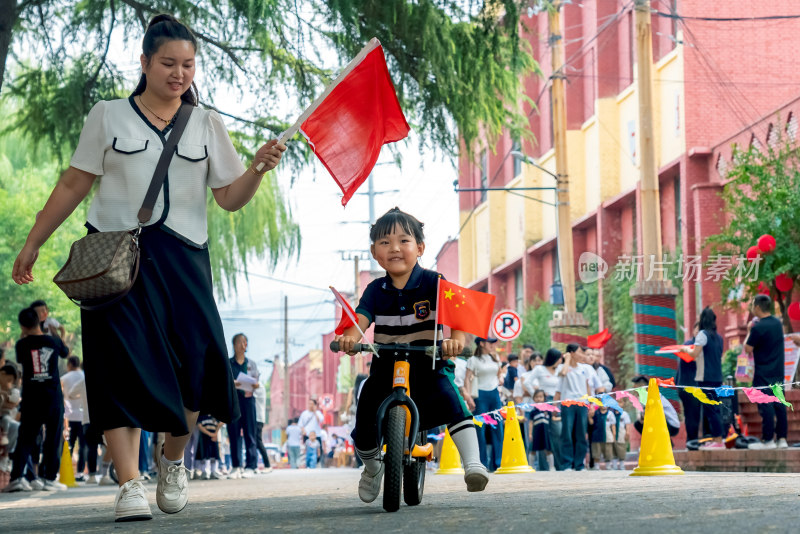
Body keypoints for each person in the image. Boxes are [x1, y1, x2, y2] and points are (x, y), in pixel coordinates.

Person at [11, 14, 286, 521]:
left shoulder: (206, 123)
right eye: (167, 63)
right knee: (119, 368)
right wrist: (33, 242)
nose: (178, 73)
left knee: (198, 367)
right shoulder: (108, 115)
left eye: (187, 64)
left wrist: (257, 170)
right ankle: (129, 483)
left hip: (185, 261)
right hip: (117, 263)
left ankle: (172, 462)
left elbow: (228, 198)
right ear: (144, 63)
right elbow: (73, 184)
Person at [336, 207, 489, 504]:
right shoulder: (374, 290)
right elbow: (359, 322)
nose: (394, 248)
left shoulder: (435, 282)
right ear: (374, 252)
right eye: (384, 242)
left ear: (419, 248)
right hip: (385, 366)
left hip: (429, 362)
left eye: (404, 240)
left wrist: (455, 341)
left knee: (450, 397)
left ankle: (473, 463)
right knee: (366, 406)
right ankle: (371, 468)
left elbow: (459, 316)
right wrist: (349, 340)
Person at [5, 308, 70, 492]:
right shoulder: (54, 341)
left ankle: (17, 478)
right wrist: (59, 332)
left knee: (25, 437)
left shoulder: (21, 345)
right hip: (52, 397)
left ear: (22, 326)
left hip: (32, 398)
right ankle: (49, 478)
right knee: (53, 437)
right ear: (38, 322)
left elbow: (22, 360)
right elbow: (65, 352)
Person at [745, 295, 789, 449]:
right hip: (778, 370)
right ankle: (782, 439)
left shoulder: (757, 328)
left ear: (757, 307)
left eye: (752, 304)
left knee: (766, 404)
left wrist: (748, 331)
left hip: (762, 371)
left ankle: (768, 439)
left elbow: (747, 348)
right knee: (779, 403)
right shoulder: (778, 324)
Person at [685, 307, 725, 449]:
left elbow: (694, 354)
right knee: (715, 408)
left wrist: (685, 349)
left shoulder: (702, 334)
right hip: (717, 377)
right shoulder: (719, 338)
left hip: (705, 377)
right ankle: (717, 438)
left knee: (710, 409)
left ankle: (718, 441)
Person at [466, 337, 505, 472]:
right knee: (480, 430)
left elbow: (499, 374)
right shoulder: (473, 360)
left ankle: (498, 463)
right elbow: (467, 379)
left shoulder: (495, 358)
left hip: (494, 395)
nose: (493, 345)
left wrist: (500, 378)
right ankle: (482, 463)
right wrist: (469, 398)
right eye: (490, 343)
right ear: (481, 344)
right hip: (480, 396)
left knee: (498, 428)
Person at [227, 333, 260, 479]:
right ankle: (236, 466)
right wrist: (234, 383)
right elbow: (224, 381)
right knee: (234, 434)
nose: (243, 345)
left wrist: (254, 384)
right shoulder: (228, 363)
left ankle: (251, 466)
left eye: (245, 342)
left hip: (248, 401)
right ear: (234, 345)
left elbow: (256, 382)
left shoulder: (251, 363)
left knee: (250, 433)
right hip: (234, 401)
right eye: (240, 342)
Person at [530, 348, 563, 470]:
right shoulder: (540, 369)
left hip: (555, 403)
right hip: (543, 403)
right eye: (559, 358)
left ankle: (558, 466)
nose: (561, 360)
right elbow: (528, 382)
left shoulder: (559, 370)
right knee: (541, 435)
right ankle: (544, 467)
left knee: (557, 433)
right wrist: (538, 397)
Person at [61, 356, 88, 481]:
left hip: (70, 416)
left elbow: (64, 394)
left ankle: (66, 472)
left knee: (68, 445)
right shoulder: (84, 377)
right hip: (84, 416)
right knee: (83, 446)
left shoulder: (64, 378)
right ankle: (80, 473)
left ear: (70, 364)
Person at [678, 322, 702, 442]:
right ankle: (692, 440)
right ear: (693, 331)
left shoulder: (692, 345)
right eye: (697, 330)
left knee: (693, 414)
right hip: (689, 386)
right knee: (692, 414)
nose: (699, 333)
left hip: (690, 386)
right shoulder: (690, 345)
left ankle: (693, 440)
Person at [0, 364, 22, 471]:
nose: (9, 383)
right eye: (8, 380)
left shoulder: (13, 390)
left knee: (15, 426)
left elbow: (12, 404)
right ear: (2, 374)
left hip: (5, 417)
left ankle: (6, 455)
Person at [528, 389, 551, 471]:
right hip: (536, 433)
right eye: (537, 397)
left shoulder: (548, 410)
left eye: (541, 397)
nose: (539, 399)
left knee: (548, 449)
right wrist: (530, 434)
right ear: (534, 399)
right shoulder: (533, 412)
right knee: (533, 450)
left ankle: (551, 467)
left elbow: (551, 421)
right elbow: (530, 423)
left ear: (544, 398)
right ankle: (531, 467)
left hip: (546, 433)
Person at [252, 378, 272, 473]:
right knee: (254, 443)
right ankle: (254, 465)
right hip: (255, 418)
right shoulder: (257, 385)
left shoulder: (259, 386)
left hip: (258, 419)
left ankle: (267, 465)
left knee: (258, 442)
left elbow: (250, 394)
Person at [194, 414, 222, 479]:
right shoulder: (202, 415)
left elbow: (220, 423)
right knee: (205, 454)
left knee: (214, 455)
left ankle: (214, 471)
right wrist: (209, 434)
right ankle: (205, 471)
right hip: (204, 438)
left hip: (214, 438)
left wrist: (215, 433)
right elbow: (199, 425)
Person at [607, 398, 631, 470]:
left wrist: (627, 432)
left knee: (621, 448)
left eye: (620, 402)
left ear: (623, 404)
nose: (618, 404)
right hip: (612, 433)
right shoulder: (611, 413)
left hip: (621, 433)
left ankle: (622, 465)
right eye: (616, 402)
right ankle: (614, 465)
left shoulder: (624, 414)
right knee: (613, 448)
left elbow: (627, 424)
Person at [589, 405, 613, 470]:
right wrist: (589, 417)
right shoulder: (596, 413)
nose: (604, 405)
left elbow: (613, 425)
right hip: (596, 436)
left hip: (607, 436)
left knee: (608, 452)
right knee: (596, 452)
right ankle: (596, 466)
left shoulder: (610, 414)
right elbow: (591, 423)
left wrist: (614, 435)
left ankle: (608, 465)